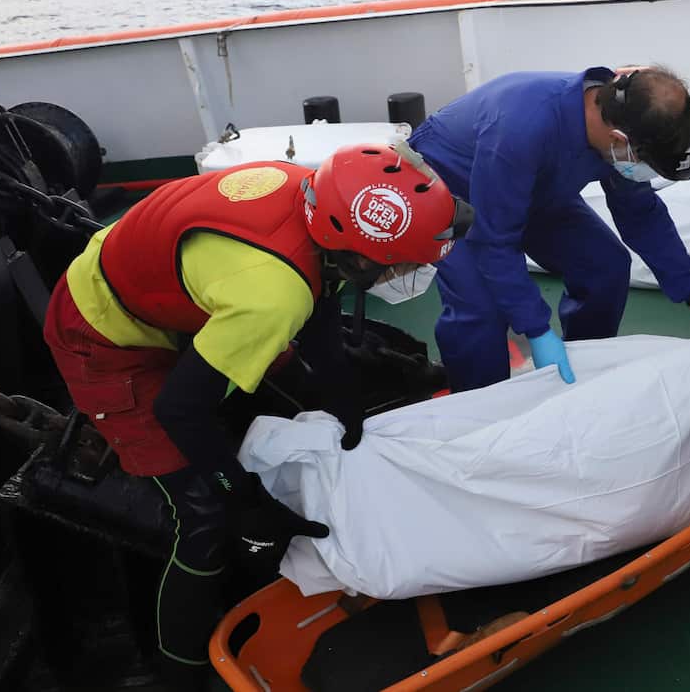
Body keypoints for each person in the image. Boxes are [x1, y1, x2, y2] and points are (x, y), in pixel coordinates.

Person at [42, 142, 471, 689]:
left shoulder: (313, 192)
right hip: (103, 337)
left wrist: (341, 397)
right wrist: (243, 500)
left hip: (168, 291)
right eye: (405, 263)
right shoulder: (272, 296)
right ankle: (179, 671)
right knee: (202, 520)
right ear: (361, 253)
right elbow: (181, 408)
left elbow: (318, 297)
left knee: (295, 384)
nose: (408, 272)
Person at [406, 65, 690, 393]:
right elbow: (494, 240)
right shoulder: (521, 126)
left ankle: (582, 367)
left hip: (533, 188)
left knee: (605, 264)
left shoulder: (624, 122)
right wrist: (537, 329)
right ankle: (478, 404)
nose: (648, 175)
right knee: (481, 306)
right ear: (618, 140)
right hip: (452, 190)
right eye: (650, 167)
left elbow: (640, 213)